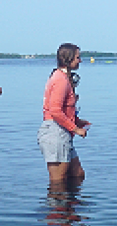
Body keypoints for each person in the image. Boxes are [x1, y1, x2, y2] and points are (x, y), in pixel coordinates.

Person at [38, 44, 90, 187]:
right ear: (68, 59)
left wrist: (77, 121)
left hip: (62, 132)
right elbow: (55, 111)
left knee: (77, 174)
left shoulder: (64, 78)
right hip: (55, 133)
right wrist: (75, 129)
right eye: (77, 57)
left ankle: (70, 208)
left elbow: (62, 109)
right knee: (58, 183)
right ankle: (58, 208)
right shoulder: (60, 79)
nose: (80, 61)